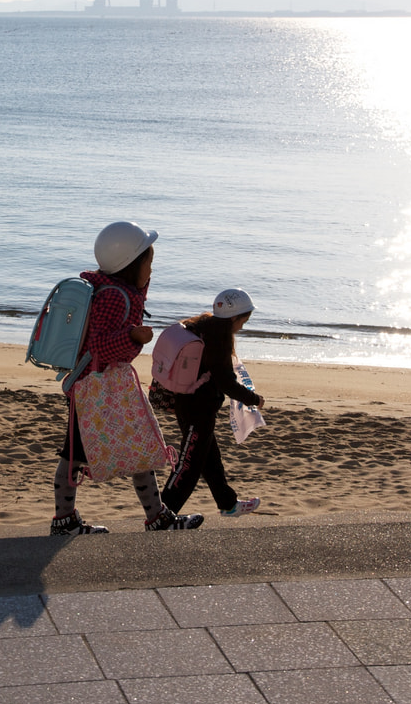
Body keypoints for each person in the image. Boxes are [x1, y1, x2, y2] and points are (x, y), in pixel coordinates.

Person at [51, 221, 203, 535]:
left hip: (102, 387)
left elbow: (114, 321)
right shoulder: (114, 298)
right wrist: (133, 336)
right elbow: (100, 345)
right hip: (98, 388)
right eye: (149, 263)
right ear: (131, 265)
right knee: (78, 453)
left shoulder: (114, 290)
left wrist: (137, 297)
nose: (152, 270)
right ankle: (65, 520)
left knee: (135, 444)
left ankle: (156, 516)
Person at [160, 288, 265, 517]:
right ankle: (163, 512)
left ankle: (228, 504)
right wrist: (254, 399)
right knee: (190, 464)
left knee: (209, 458)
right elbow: (226, 382)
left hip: (186, 401)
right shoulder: (219, 338)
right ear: (235, 318)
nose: (243, 326)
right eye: (243, 321)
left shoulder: (202, 324)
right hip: (198, 408)